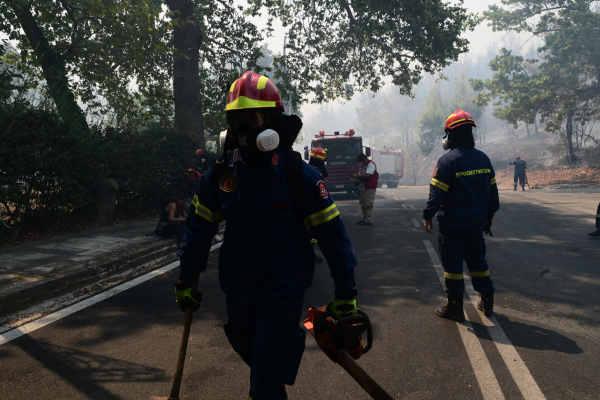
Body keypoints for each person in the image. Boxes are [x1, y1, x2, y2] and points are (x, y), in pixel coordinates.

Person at [174, 71, 358, 400]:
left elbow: (333, 236)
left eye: (253, 118)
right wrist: (185, 278)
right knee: (256, 356)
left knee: (265, 374)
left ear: (272, 122)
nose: (243, 131)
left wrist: (346, 292)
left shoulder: (298, 175)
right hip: (239, 285)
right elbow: (199, 228)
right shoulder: (220, 173)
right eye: (236, 120)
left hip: (283, 283)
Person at [423, 109, 500, 322]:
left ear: (451, 136)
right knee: (477, 260)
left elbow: (437, 194)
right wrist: (488, 217)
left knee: (453, 264)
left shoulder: (447, 161)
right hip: (476, 224)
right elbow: (493, 196)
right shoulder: (483, 159)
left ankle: (455, 307)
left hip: (453, 224)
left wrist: (428, 214)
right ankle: (487, 299)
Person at [351, 153, 378, 226]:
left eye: (360, 161)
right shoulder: (364, 166)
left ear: (363, 159)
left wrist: (357, 175)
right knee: (363, 204)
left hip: (369, 188)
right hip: (363, 187)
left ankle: (368, 220)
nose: (360, 163)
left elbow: (368, 175)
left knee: (368, 204)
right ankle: (364, 218)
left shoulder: (371, 165)